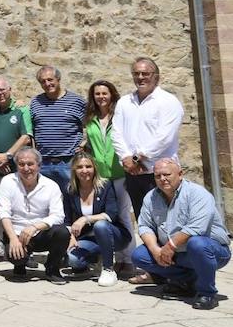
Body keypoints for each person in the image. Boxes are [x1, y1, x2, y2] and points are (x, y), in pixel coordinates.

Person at [131, 159, 230, 309]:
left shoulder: (197, 194)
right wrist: (155, 250)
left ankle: (207, 293)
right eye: (158, 176)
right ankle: (187, 281)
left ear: (180, 174)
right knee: (140, 256)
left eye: (167, 174)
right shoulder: (151, 197)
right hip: (176, 254)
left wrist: (170, 246)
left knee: (197, 244)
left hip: (211, 251)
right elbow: (145, 226)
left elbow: (196, 228)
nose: (162, 179)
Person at [113, 58, 183, 220]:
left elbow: (164, 137)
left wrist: (137, 157)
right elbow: (116, 133)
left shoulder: (168, 102)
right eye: (136, 73)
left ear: (156, 76)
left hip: (160, 174)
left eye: (145, 73)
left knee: (168, 219)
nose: (140, 77)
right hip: (133, 173)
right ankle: (149, 246)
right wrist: (126, 158)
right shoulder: (124, 102)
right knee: (142, 218)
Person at [81, 79, 133, 275]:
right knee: (104, 216)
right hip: (100, 176)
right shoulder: (90, 118)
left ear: (112, 95)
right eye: (97, 94)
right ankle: (106, 256)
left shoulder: (120, 116)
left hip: (120, 174)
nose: (101, 97)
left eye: (104, 93)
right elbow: (92, 144)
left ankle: (127, 259)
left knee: (123, 215)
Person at [0, 148, 70, 284]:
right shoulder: (8, 181)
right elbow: (3, 212)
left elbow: (58, 216)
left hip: (40, 233)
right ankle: (20, 265)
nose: (26, 168)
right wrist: (13, 239)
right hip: (16, 233)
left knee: (62, 232)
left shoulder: (51, 186)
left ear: (39, 166)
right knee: (16, 257)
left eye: (30, 164)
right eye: (21, 164)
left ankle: (52, 269)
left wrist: (34, 227)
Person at [62, 152, 130, 287]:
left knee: (100, 225)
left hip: (114, 235)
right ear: (74, 170)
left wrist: (85, 219)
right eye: (80, 167)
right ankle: (96, 257)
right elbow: (67, 220)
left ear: (94, 169)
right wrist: (71, 237)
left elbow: (112, 214)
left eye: (88, 166)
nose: (84, 170)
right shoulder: (70, 190)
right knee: (72, 259)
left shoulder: (105, 185)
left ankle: (108, 269)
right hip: (90, 238)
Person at [28, 66, 86, 191]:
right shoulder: (36, 102)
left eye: (50, 79)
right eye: (43, 81)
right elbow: (31, 129)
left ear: (58, 79)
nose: (47, 84)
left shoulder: (76, 101)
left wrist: (85, 143)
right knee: (44, 201)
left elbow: (91, 125)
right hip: (43, 163)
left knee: (71, 198)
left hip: (69, 162)